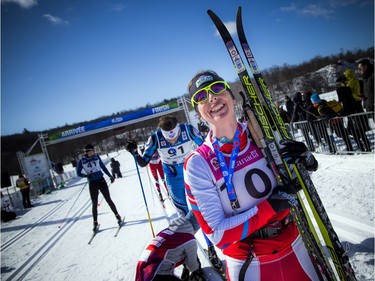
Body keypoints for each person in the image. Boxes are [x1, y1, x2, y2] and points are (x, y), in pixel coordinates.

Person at [184, 70, 320, 281]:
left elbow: (295, 181)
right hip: (247, 264)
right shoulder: (198, 163)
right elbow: (217, 234)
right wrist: (270, 207)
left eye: (217, 89)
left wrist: (307, 160)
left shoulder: (262, 133)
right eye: (201, 97)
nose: (212, 98)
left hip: (296, 246)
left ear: (231, 95)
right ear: (198, 112)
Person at [125, 116, 222, 272]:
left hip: (191, 170)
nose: (172, 140)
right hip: (172, 176)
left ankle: (211, 249)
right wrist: (134, 152)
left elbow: (206, 146)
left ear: (178, 128)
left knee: (199, 210)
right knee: (183, 216)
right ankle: (189, 256)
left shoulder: (187, 129)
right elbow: (143, 162)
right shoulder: (156, 137)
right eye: (168, 137)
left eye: (175, 135)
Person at [135, 217, 205, 281]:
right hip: (157, 273)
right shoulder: (189, 239)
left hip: (143, 269)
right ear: (196, 228)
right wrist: (197, 270)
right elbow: (192, 267)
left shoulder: (166, 231)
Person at [76, 144, 121, 231]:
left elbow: (103, 167)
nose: (94, 152)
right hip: (92, 183)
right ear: (88, 151)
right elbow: (78, 173)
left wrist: (110, 176)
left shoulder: (96, 157)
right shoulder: (82, 160)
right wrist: (86, 175)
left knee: (108, 199)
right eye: (92, 151)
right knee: (94, 204)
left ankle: (117, 216)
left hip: (101, 180)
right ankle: (95, 223)